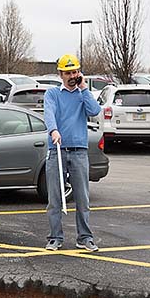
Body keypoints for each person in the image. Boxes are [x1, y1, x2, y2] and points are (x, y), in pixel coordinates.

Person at [43, 54, 102, 252]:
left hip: (79, 152)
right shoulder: (52, 94)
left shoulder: (83, 94)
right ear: (61, 74)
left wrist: (84, 89)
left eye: (75, 72)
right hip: (57, 150)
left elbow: (94, 111)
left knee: (83, 198)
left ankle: (84, 237)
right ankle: (55, 238)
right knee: (55, 198)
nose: (72, 75)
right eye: (68, 72)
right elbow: (49, 113)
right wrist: (54, 130)